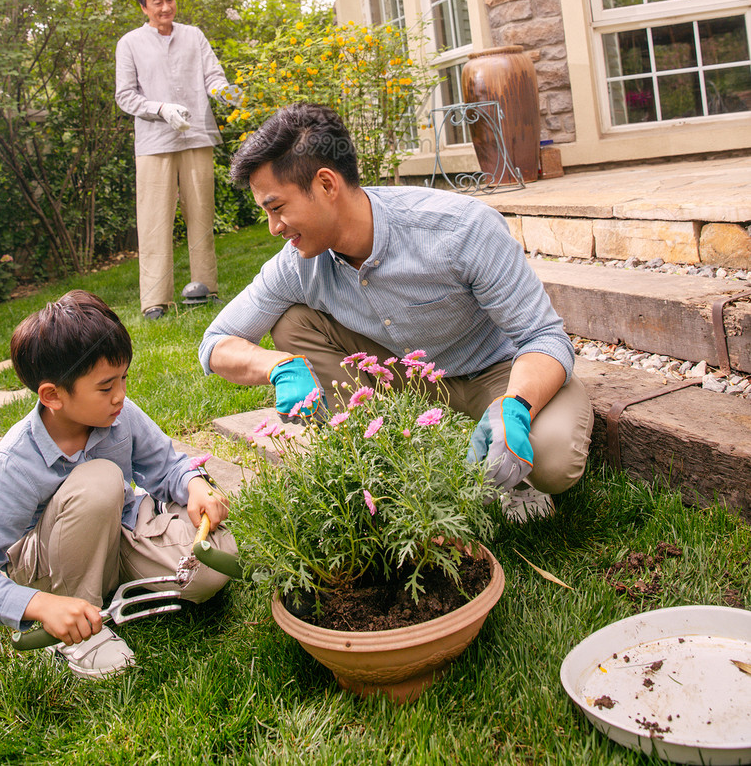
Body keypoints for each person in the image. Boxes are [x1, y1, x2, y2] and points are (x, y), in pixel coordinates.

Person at [199, 103, 593, 522]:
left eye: (277, 208)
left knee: (553, 459)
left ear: (327, 184)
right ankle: (381, 468)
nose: (273, 227)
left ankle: (515, 474)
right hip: (408, 375)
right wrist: (278, 367)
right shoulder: (296, 264)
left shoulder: (459, 230)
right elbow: (214, 344)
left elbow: (545, 338)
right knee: (294, 325)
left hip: (497, 371)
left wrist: (517, 406)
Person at [0, 290, 235, 679]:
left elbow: (167, 466)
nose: (121, 395)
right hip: (51, 564)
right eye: (105, 386)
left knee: (211, 571)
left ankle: (115, 583)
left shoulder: (120, 414)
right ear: (52, 396)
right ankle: (78, 628)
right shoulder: (17, 462)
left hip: (118, 532)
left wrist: (194, 484)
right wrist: (41, 605)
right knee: (100, 479)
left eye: (124, 378)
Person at [115, 0, 241, 318]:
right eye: (157, 2)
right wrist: (160, 109)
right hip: (155, 143)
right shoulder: (130, 44)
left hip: (196, 135)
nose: (165, 7)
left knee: (201, 214)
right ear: (144, 7)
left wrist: (225, 92)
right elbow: (125, 96)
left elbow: (213, 76)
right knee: (154, 221)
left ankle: (206, 289)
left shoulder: (194, 36)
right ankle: (155, 300)